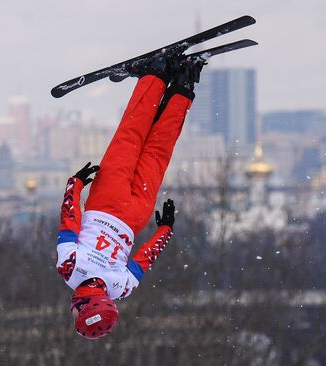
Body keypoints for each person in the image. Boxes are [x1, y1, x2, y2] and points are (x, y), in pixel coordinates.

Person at [56, 56, 205, 340]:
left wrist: (164, 230)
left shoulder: (122, 288)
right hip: (106, 203)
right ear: (87, 306)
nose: (71, 311)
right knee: (130, 137)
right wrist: (74, 185)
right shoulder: (69, 270)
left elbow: (146, 257)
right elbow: (69, 222)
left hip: (137, 214)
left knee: (158, 151)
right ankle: (155, 76)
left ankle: (184, 83)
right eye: (77, 315)